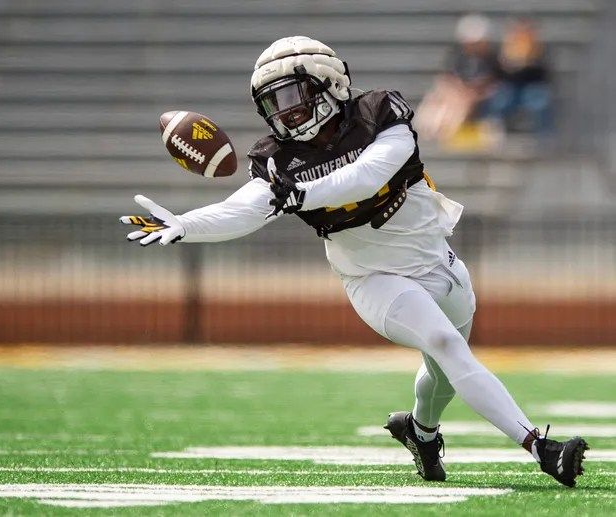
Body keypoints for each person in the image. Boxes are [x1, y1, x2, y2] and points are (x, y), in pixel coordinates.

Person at [120, 36, 587, 486]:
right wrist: (187, 224)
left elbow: (369, 175)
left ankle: (421, 433)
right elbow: (245, 209)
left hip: (437, 262)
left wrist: (301, 194)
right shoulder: (279, 159)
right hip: (372, 276)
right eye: (272, 102)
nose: (282, 110)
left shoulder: (378, 112)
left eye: (290, 93)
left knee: (443, 369)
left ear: (328, 84)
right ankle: (541, 449)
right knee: (445, 343)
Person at [416, 14, 501, 145]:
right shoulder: (458, 55)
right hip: (457, 95)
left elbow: (492, 82)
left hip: (478, 97)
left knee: (460, 104)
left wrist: (470, 93)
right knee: (436, 99)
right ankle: (428, 130)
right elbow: (448, 78)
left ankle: (445, 134)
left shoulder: (492, 58)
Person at [482, 18, 553, 136]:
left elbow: (544, 74)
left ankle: (545, 137)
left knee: (540, 103)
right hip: (510, 88)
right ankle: (494, 137)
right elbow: (499, 74)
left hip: (532, 87)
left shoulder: (540, 49)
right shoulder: (505, 49)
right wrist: (509, 66)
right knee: (497, 101)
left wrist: (527, 64)